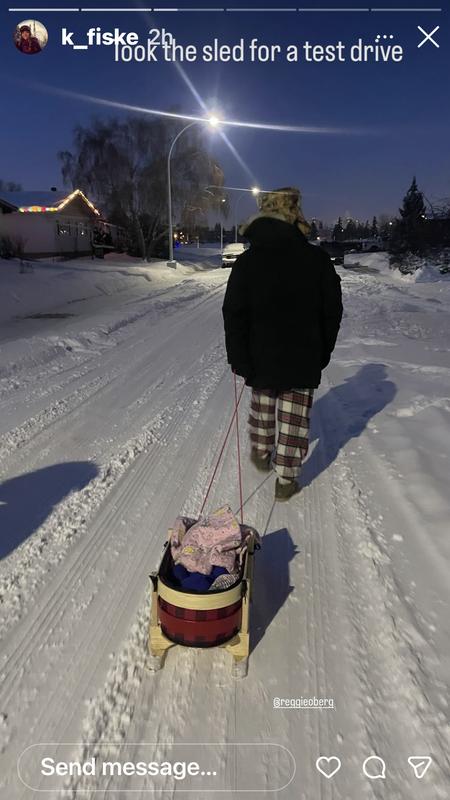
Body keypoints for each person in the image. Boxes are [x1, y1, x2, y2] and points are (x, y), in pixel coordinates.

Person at [222, 186, 343, 501]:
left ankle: (262, 454)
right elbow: (332, 310)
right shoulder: (317, 260)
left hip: (259, 357)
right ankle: (285, 482)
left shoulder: (247, 263)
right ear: (295, 216)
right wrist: (323, 351)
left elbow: (233, 312)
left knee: (263, 406)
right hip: (303, 357)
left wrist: (239, 356)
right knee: (293, 420)